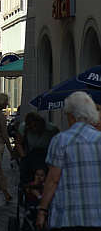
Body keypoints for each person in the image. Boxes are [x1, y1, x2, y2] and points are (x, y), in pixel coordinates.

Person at [36, 92, 101, 231]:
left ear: (71, 115)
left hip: (68, 217)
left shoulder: (61, 140)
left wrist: (43, 210)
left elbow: (53, 179)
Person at [15, 111, 59, 183]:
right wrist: (23, 157)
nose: (33, 129)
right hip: (30, 154)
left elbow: (58, 143)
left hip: (46, 154)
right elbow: (18, 143)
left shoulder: (51, 129)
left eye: (35, 126)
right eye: (31, 128)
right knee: (25, 171)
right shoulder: (24, 128)